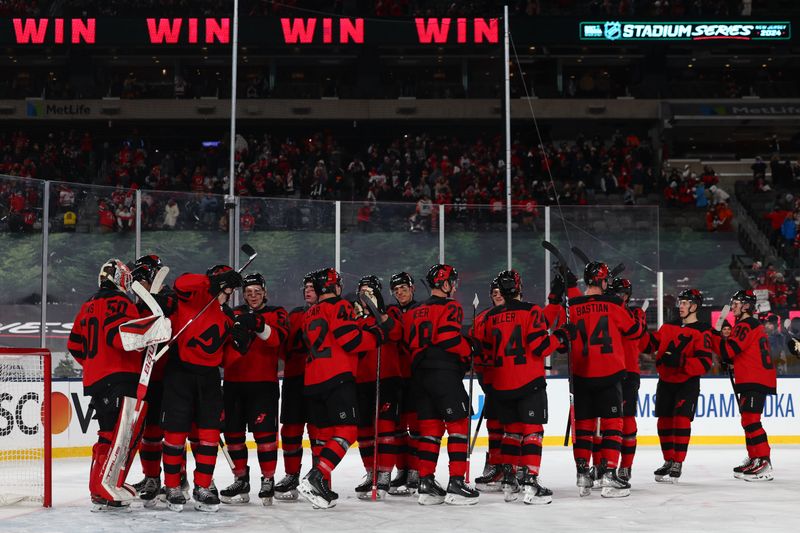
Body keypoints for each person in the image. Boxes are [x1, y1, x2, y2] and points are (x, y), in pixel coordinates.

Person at [160, 264, 254, 512]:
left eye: (231, 287)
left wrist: (240, 347)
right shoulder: (195, 296)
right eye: (226, 285)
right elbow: (182, 281)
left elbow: (225, 359)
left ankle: (203, 486)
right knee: (175, 434)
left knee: (210, 435)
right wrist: (214, 282)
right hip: (180, 373)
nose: (229, 291)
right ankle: (172, 486)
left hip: (209, 378)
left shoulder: (227, 316)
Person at [297, 268, 393, 509]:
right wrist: (376, 335)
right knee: (347, 432)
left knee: (324, 436)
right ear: (334, 287)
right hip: (337, 377)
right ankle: (316, 476)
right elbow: (350, 341)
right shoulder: (340, 306)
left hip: (312, 381)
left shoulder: (308, 313)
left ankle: (321, 489)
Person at [479, 270, 561, 505]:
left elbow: (484, 351)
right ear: (518, 287)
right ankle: (531, 482)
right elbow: (540, 347)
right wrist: (561, 337)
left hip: (502, 384)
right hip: (528, 382)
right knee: (532, 432)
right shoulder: (531, 310)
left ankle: (509, 481)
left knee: (511, 433)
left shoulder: (491, 316)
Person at [561, 261, 643, 498]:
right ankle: (608, 473)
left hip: (581, 374)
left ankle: (582, 475)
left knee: (584, 427)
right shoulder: (614, 304)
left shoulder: (573, 305)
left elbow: (563, 339)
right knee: (612, 425)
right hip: (609, 373)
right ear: (603, 282)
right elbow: (634, 331)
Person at [68, 259, 143, 510]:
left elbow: (74, 346)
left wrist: (94, 363)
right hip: (121, 377)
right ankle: (107, 487)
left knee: (106, 434)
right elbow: (122, 338)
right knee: (119, 437)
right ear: (121, 278)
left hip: (96, 380)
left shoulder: (87, 304)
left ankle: (97, 487)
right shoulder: (122, 303)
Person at [403, 264, 480, 506]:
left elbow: (408, 344)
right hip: (443, 373)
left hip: (420, 375)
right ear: (445, 284)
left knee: (429, 430)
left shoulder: (413, 312)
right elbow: (447, 338)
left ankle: (426, 483)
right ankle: (456, 483)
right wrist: (469, 348)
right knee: (458, 426)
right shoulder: (451, 306)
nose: (454, 287)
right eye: (452, 282)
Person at [219, 273, 288, 506]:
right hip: (232, 384)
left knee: (265, 436)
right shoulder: (233, 313)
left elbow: (278, 340)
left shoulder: (276, 313)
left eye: (257, 291)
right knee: (233, 435)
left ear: (265, 292)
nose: (253, 296)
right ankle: (241, 479)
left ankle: (268, 479)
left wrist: (258, 324)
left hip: (262, 385)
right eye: (249, 292)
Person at [645, 289, 712, 483]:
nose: (680, 306)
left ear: (694, 306)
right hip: (666, 381)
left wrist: (681, 361)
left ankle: (678, 462)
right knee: (663, 422)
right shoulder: (667, 327)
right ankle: (668, 460)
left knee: (681, 420)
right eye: (680, 302)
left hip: (687, 382)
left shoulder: (703, 330)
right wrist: (638, 330)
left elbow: (705, 363)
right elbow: (649, 345)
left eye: (685, 303)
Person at [128, 254, 178, 506]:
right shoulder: (137, 305)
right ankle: (151, 477)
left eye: (141, 279)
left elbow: (169, 308)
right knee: (147, 432)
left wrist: (154, 300)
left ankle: (175, 479)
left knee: (167, 432)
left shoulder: (169, 297)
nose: (137, 285)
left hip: (167, 377)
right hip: (144, 377)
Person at [352, 275, 403, 499]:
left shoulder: (390, 312)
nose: (365, 296)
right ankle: (371, 472)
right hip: (361, 380)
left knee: (384, 428)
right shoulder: (355, 317)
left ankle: (384, 474)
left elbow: (397, 333)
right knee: (364, 431)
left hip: (387, 378)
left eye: (370, 292)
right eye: (362, 292)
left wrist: (378, 311)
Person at [720, 290, 777, 481]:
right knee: (747, 420)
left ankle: (763, 461)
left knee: (751, 420)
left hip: (755, 378)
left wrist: (716, 340)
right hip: (751, 378)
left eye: (736, 303)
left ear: (746, 306)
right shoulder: (749, 324)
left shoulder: (746, 324)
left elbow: (730, 350)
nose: (733, 306)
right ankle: (755, 458)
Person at [274, 272, 317, 501]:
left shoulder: (329, 312)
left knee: (318, 431)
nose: (308, 291)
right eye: (306, 288)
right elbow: (282, 348)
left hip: (319, 379)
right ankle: (292, 475)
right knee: (290, 430)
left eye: (312, 287)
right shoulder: (294, 315)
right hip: (294, 378)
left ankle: (319, 477)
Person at [608, 278, 648, 483]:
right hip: (608, 370)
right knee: (606, 421)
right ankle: (603, 466)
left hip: (629, 372)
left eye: (624, 293)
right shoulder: (608, 311)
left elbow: (638, 337)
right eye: (617, 292)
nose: (621, 296)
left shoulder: (635, 313)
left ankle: (626, 466)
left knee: (627, 418)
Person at [385, 271, 420, 496]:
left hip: (416, 376)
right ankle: (402, 469)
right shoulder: (391, 312)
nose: (400, 292)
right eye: (396, 290)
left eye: (403, 288)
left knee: (415, 427)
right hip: (396, 376)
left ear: (412, 288)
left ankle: (416, 470)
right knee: (398, 428)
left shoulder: (421, 310)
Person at [472, 278, 506, 492]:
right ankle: (495, 463)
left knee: (516, 424)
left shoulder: (522, 313)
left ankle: (514, 466)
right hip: (491, 377)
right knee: (494, 423)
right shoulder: (483, 317)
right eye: (494, 292)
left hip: (517, 377)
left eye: (501, 291)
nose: (497, 295)